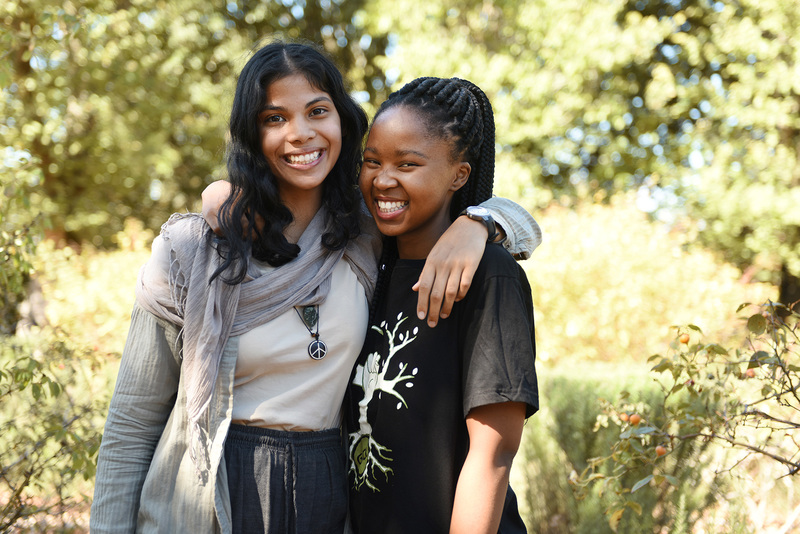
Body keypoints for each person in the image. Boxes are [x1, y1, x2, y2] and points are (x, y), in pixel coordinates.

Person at [90, 42, 538, 534]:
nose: (300, 133)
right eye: (274, 118)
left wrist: (479, 222)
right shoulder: (194, 251)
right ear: (251, 133)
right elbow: (130, 429)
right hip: (213, 488)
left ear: (342, 121)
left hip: (328, 496)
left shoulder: (365, 233)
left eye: (317, 111)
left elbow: (509, 219)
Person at [344, 77, 538, 533]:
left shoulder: (489, 275)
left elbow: (493, 455)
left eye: (407, 164)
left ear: (459, 175)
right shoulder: (368, 265)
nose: (383, 179)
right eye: (372, 161)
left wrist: (480, 225)